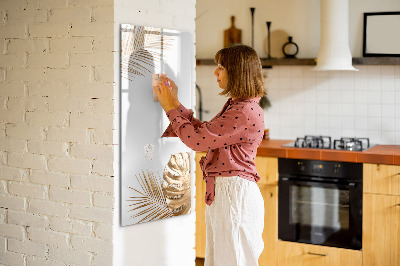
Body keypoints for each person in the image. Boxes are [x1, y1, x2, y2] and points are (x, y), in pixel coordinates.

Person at [153, 44, 266, 266]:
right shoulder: (239, 106)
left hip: (234, 196)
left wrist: (169, 108)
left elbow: (197, 141)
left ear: (237, 71)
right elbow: (205, 133)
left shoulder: (243, 111)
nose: (215, 72)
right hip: (228, 194)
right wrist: (175, 103)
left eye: (221, 67)